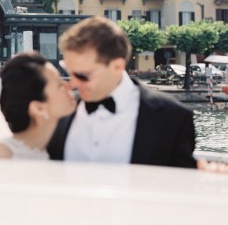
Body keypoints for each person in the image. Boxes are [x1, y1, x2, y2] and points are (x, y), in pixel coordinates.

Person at [47, 15, 197, 168]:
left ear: (117, 66)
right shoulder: (60, 110)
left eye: (82, 76)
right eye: (68, 72)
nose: (72, 84)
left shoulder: (173, 118)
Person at [0, 52, 76, 159]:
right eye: (59, 85)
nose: (70, 85)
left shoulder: (47, 149)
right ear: (38, 108)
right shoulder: (2, 156)